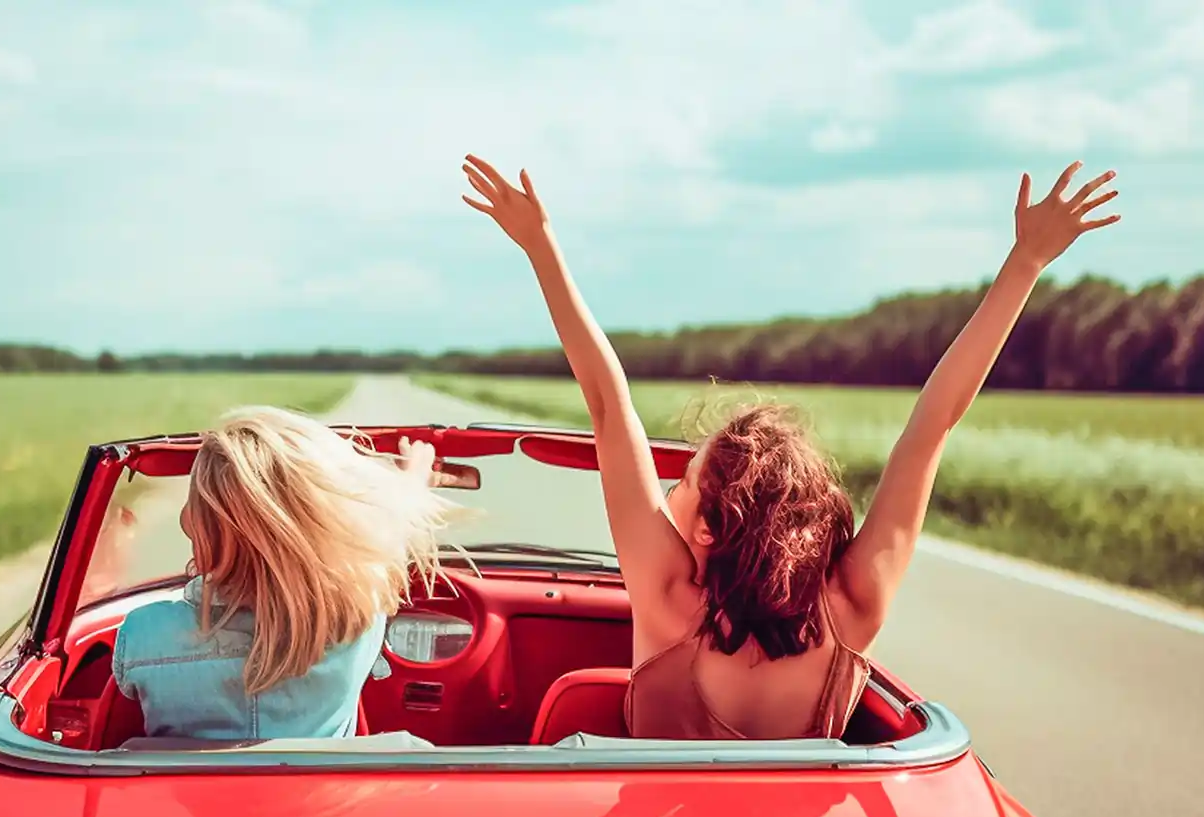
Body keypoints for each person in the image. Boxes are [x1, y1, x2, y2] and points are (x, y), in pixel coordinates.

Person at [461, 154, 1120, 740]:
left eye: (682, 484)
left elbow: (608, 401)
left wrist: (539, 246)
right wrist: (1026, 263)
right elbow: (934, 425)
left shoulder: (666, 600)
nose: (667, 494)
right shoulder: (853, 607)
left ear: (715, 530)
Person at [112, 406, 456, 740]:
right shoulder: (358, 619)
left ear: (197, 528)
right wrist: (413, 481)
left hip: (183, 799)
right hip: (320, 798)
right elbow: (386, 542)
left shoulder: (143, 633)